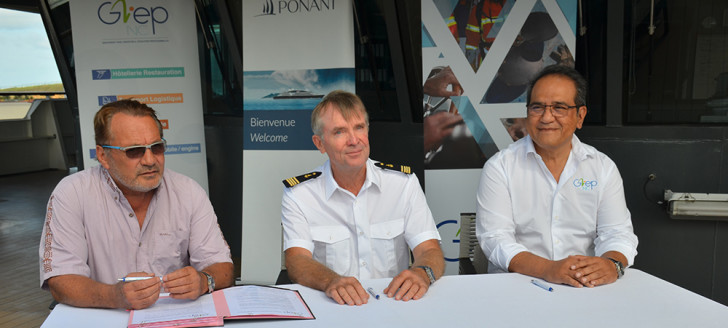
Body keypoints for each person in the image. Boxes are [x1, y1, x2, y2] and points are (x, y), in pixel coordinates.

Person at [39, 99, 233, 309]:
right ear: (103, 155)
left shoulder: (188, 191)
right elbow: (60, 280)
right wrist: (113, 296)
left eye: (157, 147)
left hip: (175, 318)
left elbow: (223, 268)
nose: (150, 160)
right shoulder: (72, 193)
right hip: (104, 317)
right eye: (134, 151)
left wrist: (205, 280)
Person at [475, 65, 638, 288]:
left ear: (580, 116)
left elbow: (617, 233)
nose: (546, 117)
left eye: (559, 107)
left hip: (585, 288)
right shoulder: (500, 167)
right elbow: (495, 240)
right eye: (537, 107)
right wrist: (548, 269)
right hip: (517, 288)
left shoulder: (602, 168)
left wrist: (612, 264)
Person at [281, 90, 445, 306]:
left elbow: (429, 250)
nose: (353, 140)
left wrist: (422, 273)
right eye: (339, 132)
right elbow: (297, 260)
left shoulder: (403, 184)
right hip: (333, 306)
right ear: (319, 143)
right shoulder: (300, 194)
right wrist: (331, 281)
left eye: (359, 127)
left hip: (394, 303)